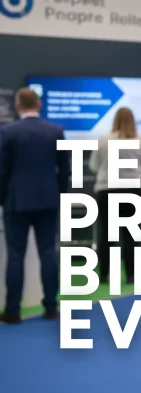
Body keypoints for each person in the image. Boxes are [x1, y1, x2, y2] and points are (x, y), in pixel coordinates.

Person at [0, 88, 70, 323]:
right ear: (38, 104)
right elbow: (65, 170)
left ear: (18, 106)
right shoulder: (55, 131)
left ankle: (13, 310)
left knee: (15, 256)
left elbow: (2, 171)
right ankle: (51, 306)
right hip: (48, 200)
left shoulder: (8, 132)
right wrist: (61, 195)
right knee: (49, 253)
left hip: (16, 201)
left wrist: (3, 199)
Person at [89, 108, 141, 284]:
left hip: (107, 190)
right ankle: (132, 275)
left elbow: (94, 165)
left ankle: (103, 274)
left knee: (107, 234)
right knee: (131, 235)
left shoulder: (104, 141)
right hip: (134, 190)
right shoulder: (140, 142)